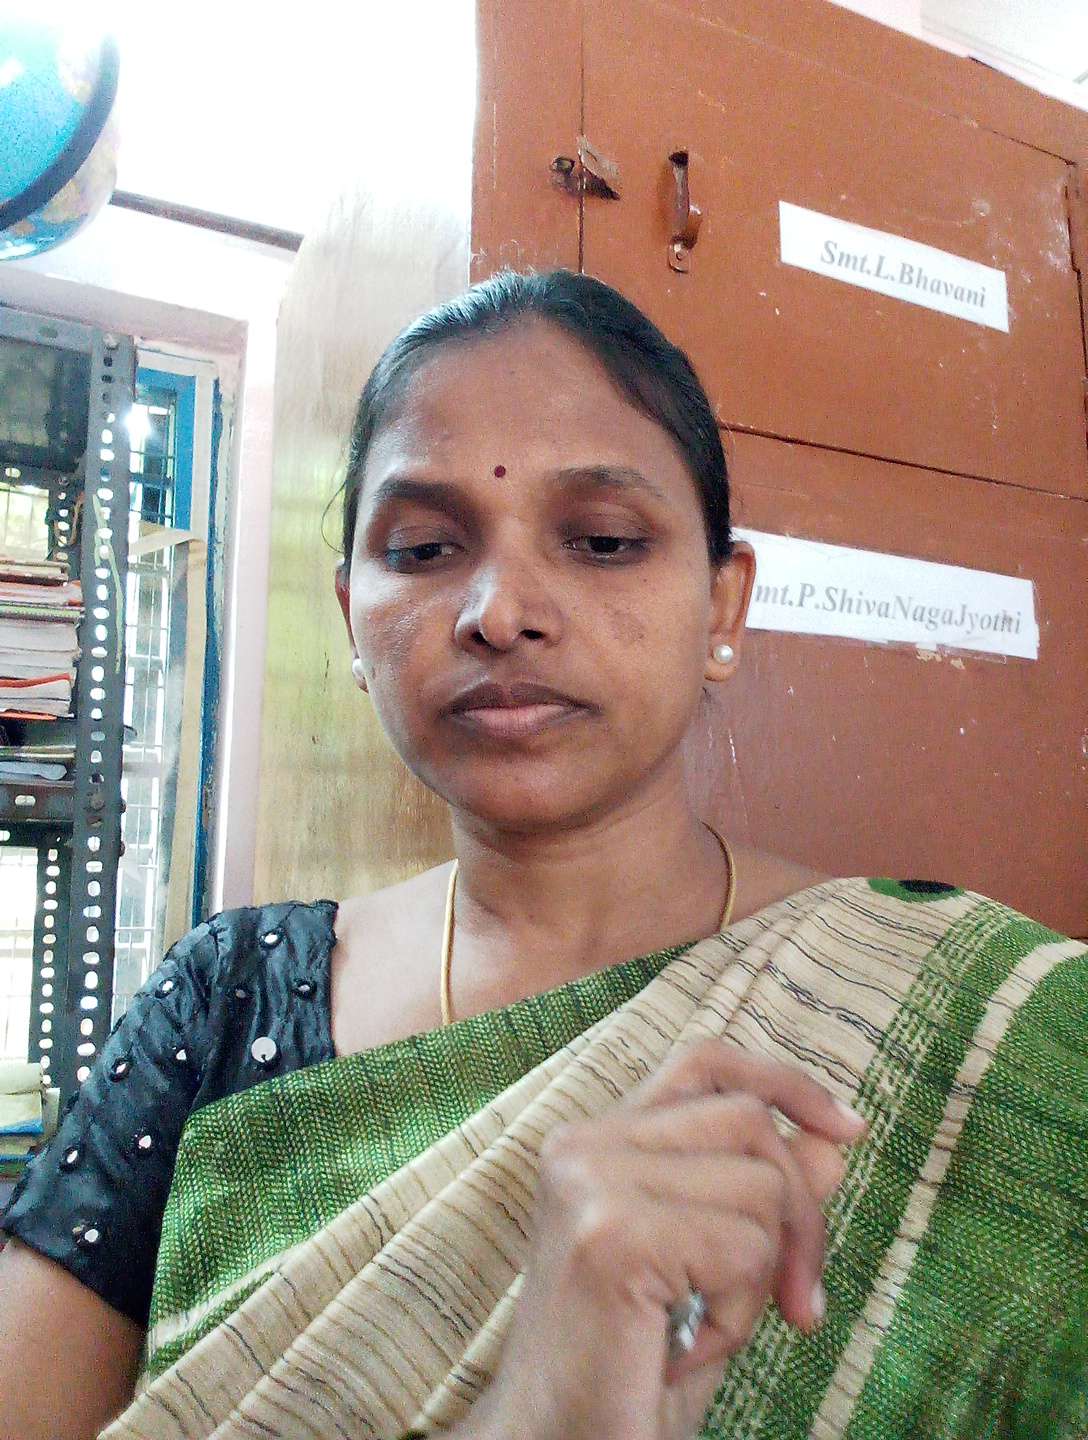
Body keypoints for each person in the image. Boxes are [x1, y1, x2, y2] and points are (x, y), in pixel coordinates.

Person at [0, 268, 1085, 1440]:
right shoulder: (222, 1007)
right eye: (423, 548)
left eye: (603, 540)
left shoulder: (984, 1023)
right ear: (351, 617)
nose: (499, 609)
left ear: (723, 607)